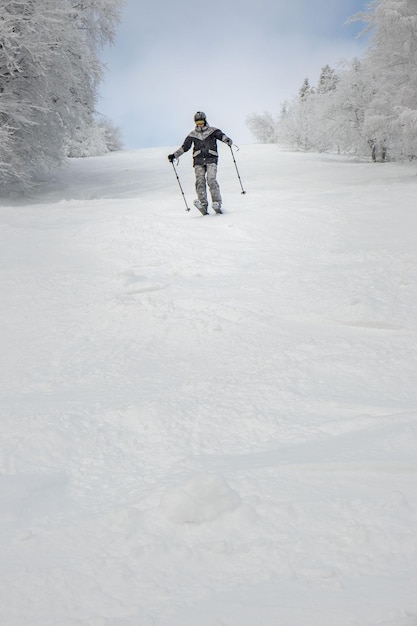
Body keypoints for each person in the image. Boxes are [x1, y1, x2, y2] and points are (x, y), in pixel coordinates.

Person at [168, 111, 233, 215]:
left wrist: (226, 140)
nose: (200, 124)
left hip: (211, 159)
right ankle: (203, 204)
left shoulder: (213, 131)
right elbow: (185, 147)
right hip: (198, 161)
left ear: (205, 120)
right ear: (195, 122)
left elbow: (221, 135)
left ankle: (217, 202)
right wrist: (174, 155)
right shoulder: (192, 135)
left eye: (201, 121)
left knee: (211, 180)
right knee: (200, 182)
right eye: (198, 122)